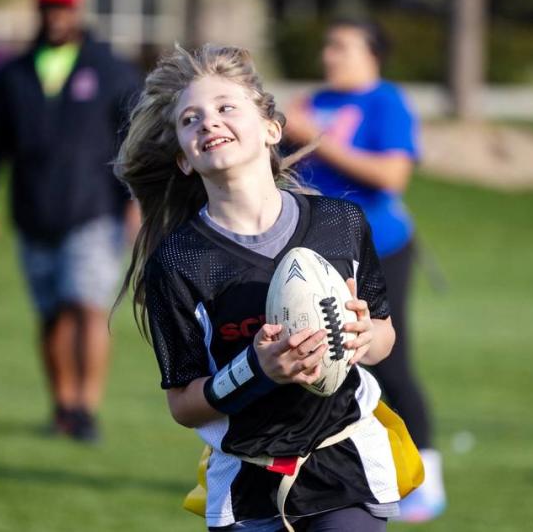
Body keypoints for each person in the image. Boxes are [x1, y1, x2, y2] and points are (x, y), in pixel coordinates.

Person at [116, 43, 411, 531]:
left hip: (343, 465)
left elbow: (383, 334)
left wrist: (364, 338)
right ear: (185, 160)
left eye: (226, 107)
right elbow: (184, 406)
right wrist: (257, 368)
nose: (208, 122)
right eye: (190, 120)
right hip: (247, 482)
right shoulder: (178, 263)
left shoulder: (341, 223)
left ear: (272, 128)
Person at [282, 18, 446, 520]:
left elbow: (392, 175)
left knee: (387, 360)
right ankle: (323, 472)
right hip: (316, 254)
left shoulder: (386, 101)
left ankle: (427, 477)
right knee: (319, 364)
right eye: (327, 45)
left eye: (342, 46)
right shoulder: (310, 103)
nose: (330, 54)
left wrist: (317, 138)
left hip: (380, 248)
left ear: (372, 55)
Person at [0, 0, 141, 442]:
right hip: (33, 211)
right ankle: (62, 405)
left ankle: (87, 407)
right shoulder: (13, 75)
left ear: (76, 11)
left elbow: (135, 142)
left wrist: (136, 200)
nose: (55, 15)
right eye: (47, 7)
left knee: (88, 306)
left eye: (62, 7)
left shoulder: (111, 70)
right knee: (51, 314)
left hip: (94, 209)